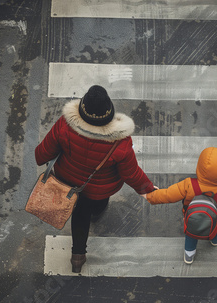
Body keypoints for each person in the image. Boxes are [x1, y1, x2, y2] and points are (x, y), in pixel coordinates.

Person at [35, 85, 156, 273]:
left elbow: (44, 152)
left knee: (79, 212)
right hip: (98, 190)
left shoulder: (65, 125)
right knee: (90, 209)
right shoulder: (119, 142)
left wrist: (40, 158)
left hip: (66, 179)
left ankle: (77, 258)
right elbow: (130, 173)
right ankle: (91, 225)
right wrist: (147, 189)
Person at [142, 147, 217, 264]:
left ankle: (189, 255)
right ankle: (215, 240)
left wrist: (150, 196)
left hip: (191, 219)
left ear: (200, 167)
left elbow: (168, 195)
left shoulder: (188, 184)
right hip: (215, 222)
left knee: (191, 235)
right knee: (216, 230)